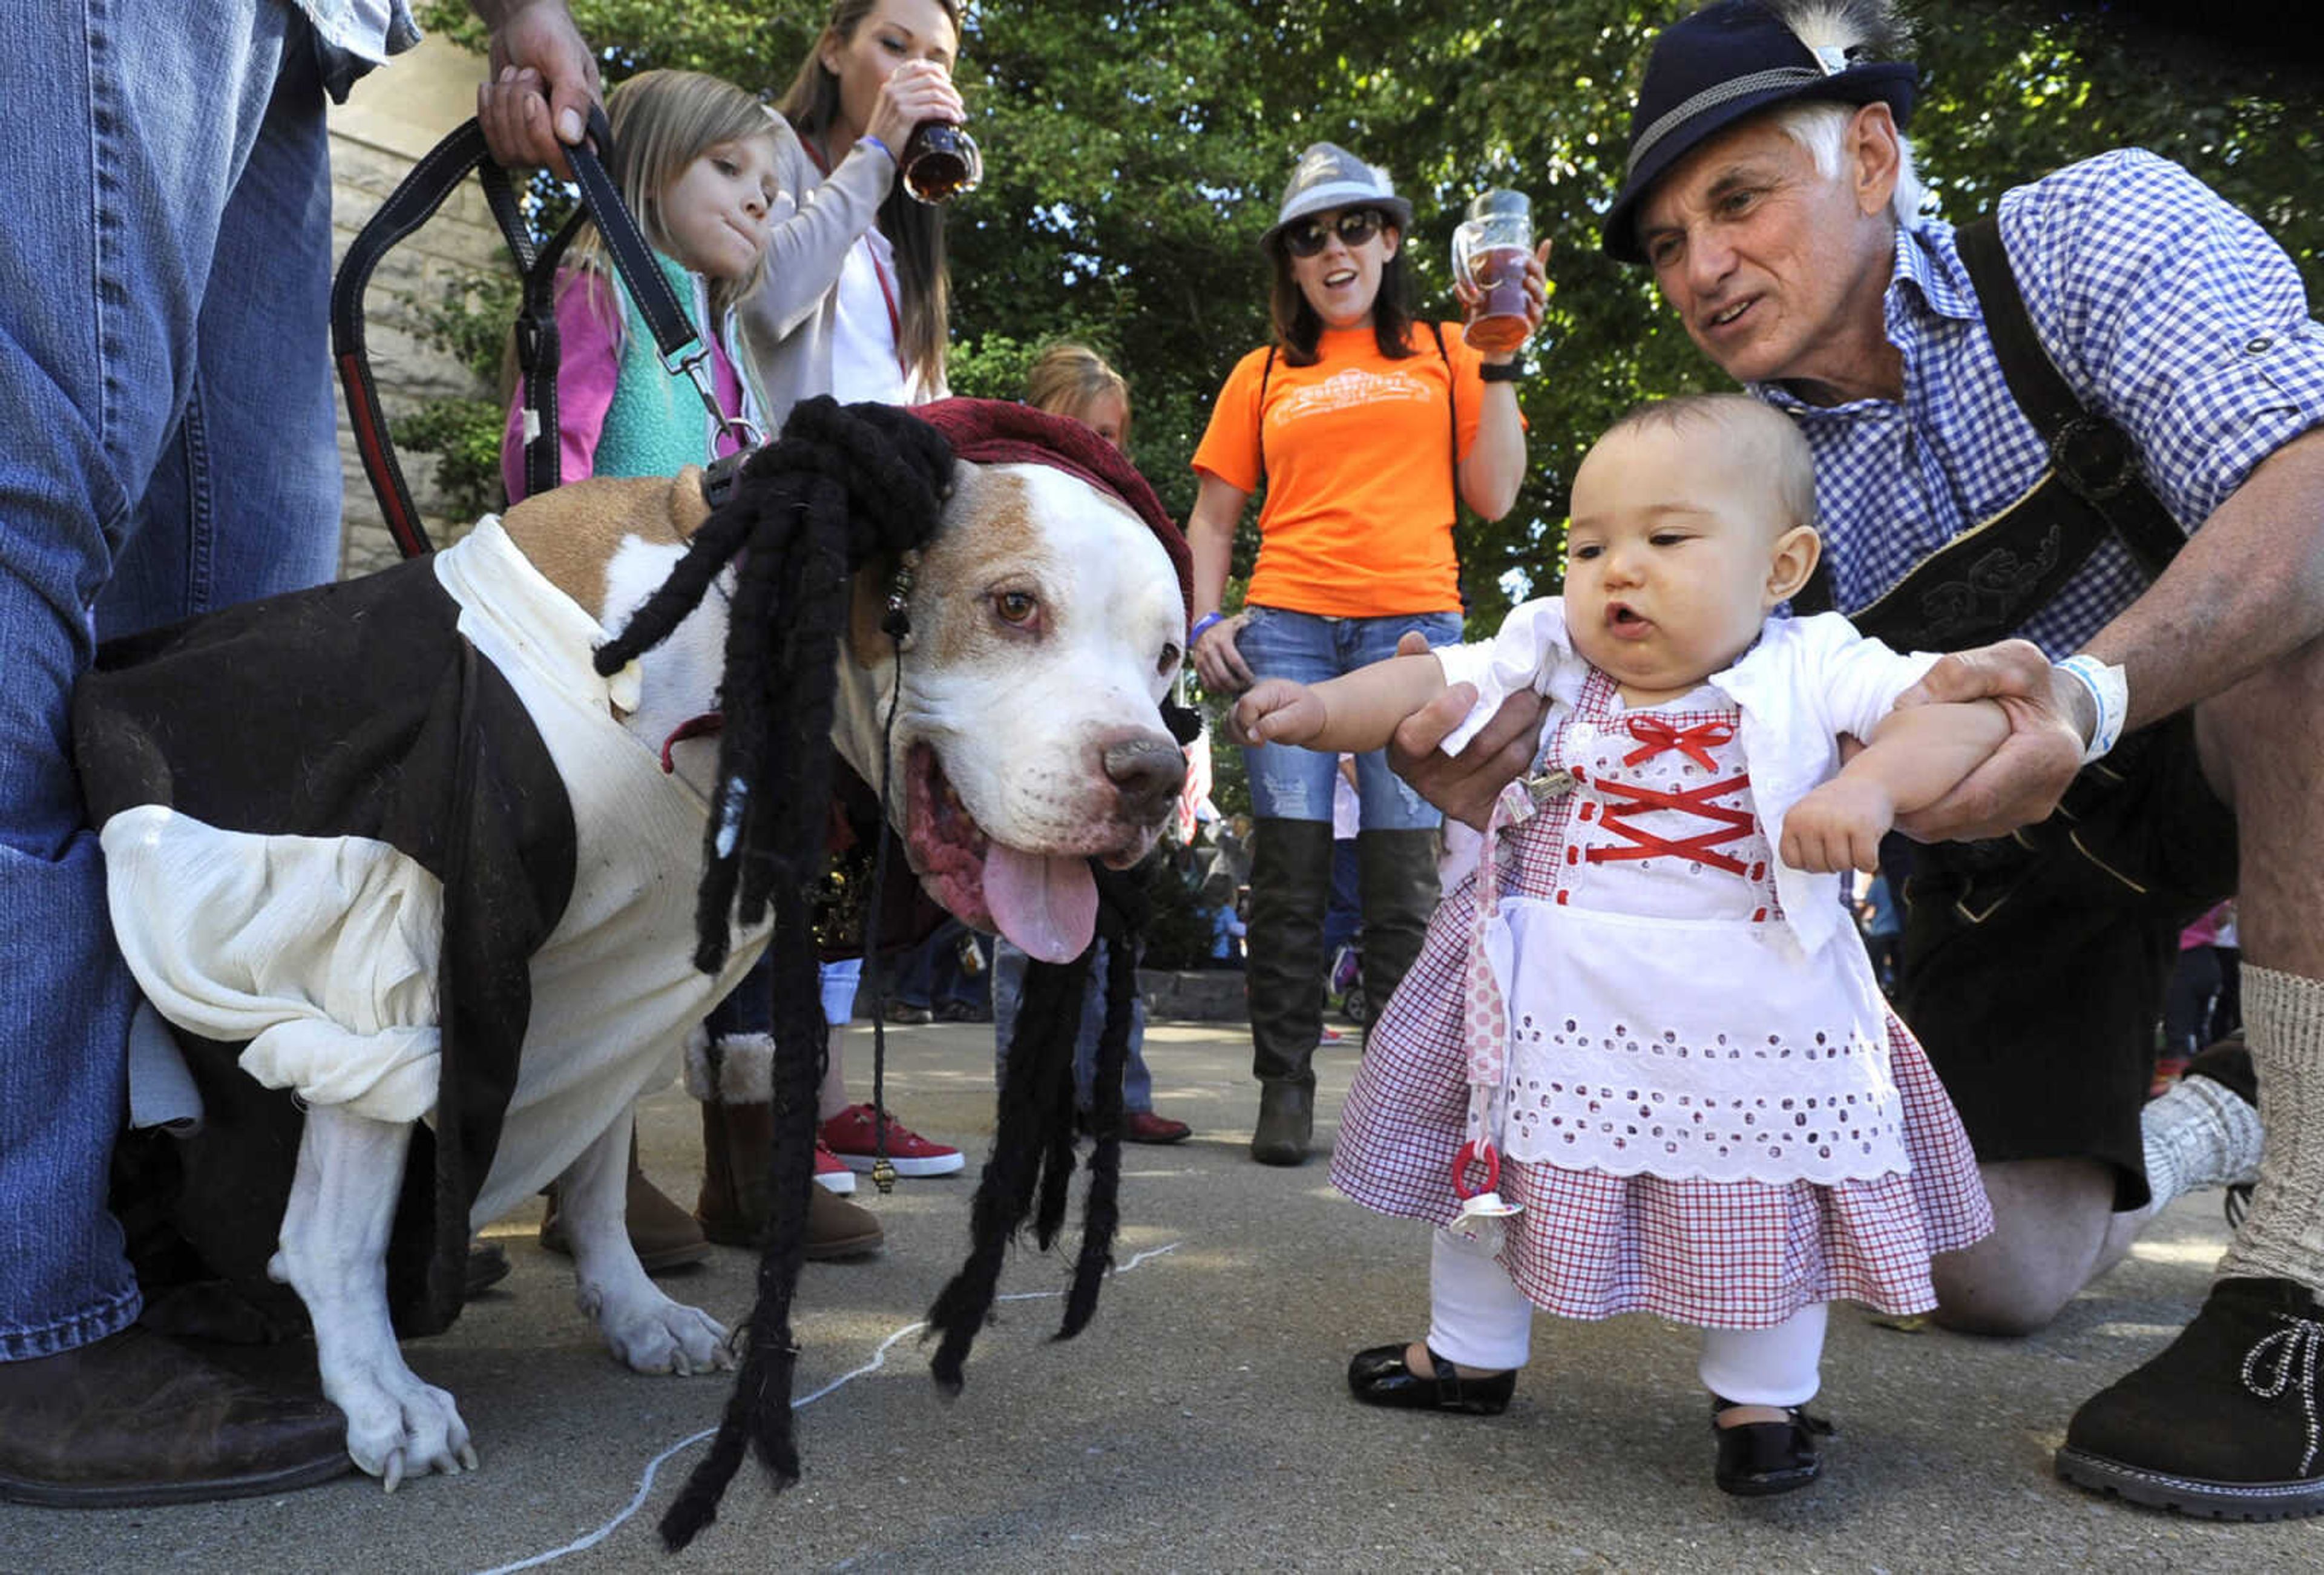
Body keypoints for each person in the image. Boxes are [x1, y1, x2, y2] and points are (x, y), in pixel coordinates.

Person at [1391, 0, 2321, 1516]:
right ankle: (2230, 1102)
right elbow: (1666, 708)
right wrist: (1529, 757)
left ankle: (2304, 1281)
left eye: (1739, 199)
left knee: (2313, 622)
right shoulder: (1741, 489)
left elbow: (2310, 477)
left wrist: (2085, 695)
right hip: (2008, 857)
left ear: (1875, 154)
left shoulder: (2087, 232)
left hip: (2203, 729)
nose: (1700, 266)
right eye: (1670, 241)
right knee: (1987, 1272)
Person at [0, 0, 599, 1507]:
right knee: (37, 511)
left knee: (228, 665)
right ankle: (25, 1298)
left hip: (299, 38)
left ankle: (179, 1232)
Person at [1238, 394, 1998, 1495]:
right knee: (1491, 1173)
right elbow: (1431, 682)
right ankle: (1468, 1351)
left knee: (1766, 1198)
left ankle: (1762, 1401)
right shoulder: (1551, 646)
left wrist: (1871, 786)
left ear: (1782, 565)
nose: (1616, 571)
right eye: (1589, 546)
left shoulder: (1817, 660)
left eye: (1667, 538)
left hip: (1756, 1007)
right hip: (1547, 991)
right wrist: (1322, 709)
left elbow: (1963, 711)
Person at [1187, 141, 1549, 1166]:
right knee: (1293, 873)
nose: (1333, 249)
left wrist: (1506, 355)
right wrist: (1208, 621)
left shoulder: (1448, 348)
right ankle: (1285, 1091)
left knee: (1403, 883)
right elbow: (1214, 517)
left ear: (1390, 239)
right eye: (1310, 236)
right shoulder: (1262, 374)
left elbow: (1496, 496)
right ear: (1292, 265)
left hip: (1415, 635)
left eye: (1354, 226)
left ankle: (1397, 1107)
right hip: (1289, 626)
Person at [685, 0, 973, 1242]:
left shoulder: (900, 235)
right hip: (775, 550)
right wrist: (871, 156)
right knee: (765, 845)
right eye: (896, 42)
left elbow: (911, 395)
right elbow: (759, 306)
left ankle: (800, 1122)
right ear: (834, 48)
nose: (921, 71)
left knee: (841, 856)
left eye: (943, 60)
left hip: (868, 566)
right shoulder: (774, 168)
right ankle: (746, 1152)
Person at [983, 343, 1191, 1145]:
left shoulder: (1133, 534)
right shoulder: (1013, 516)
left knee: (1113, 934)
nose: (1099, 453)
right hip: (1038, 755)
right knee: (1025, 934)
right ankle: (1031, 1098)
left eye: (1111, 435)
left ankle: (1117, 1092)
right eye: (1081, 432)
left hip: (1119, 755)